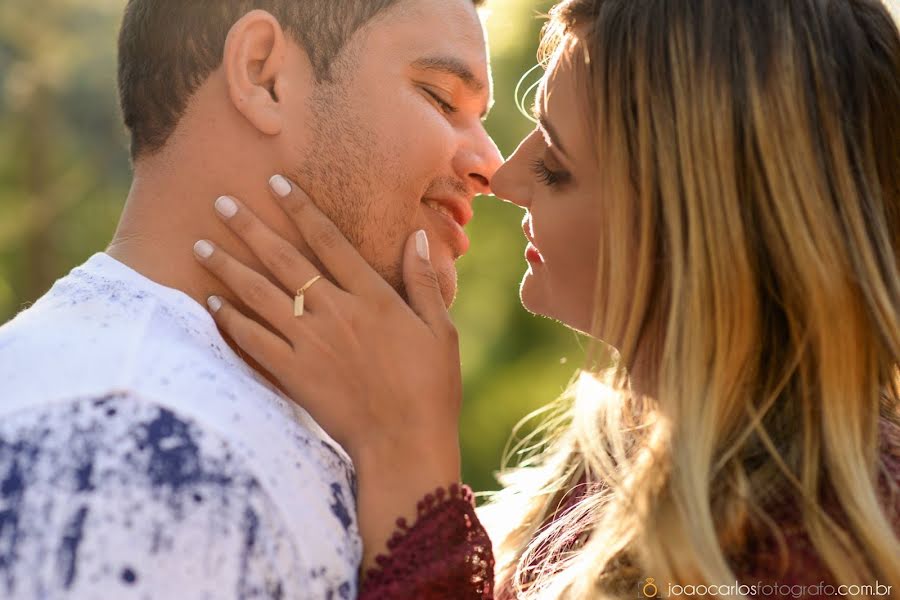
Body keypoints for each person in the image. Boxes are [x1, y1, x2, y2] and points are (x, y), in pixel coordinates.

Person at [194, 0, 900, 598]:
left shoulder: (820, 553)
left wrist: (410, 466)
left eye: (557, 167)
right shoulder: (618, 453)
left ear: (704, 236)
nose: (504, 179)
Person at [0, 0, 499, 598]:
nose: (491, 163)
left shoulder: (195, 423)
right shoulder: (127, 457)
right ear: (263, 75)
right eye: (441, 98)